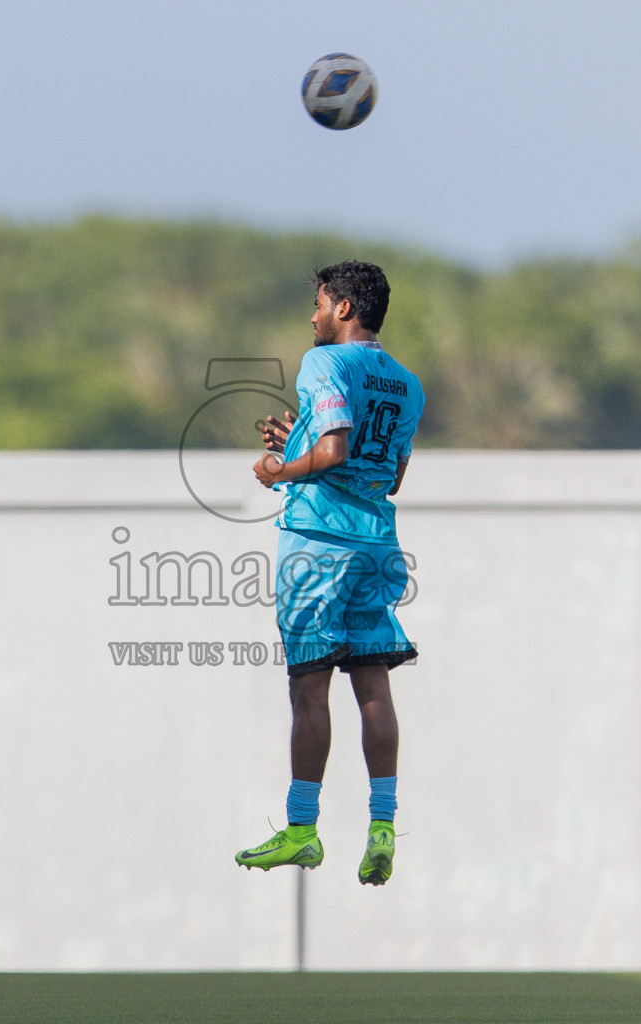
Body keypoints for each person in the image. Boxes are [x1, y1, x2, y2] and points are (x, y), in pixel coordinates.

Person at [236, 260, 425, 886]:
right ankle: (382, 824)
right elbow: (386, 475)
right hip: (376, 543)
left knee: (309, 689)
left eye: (318, 303)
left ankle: (302, 829)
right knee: (373, 685)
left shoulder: (323, 362)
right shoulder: (407, 383)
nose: (312, 315)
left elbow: (335, 451)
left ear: (344, 307)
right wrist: (300, 442)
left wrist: (279, 469)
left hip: (319, 542)